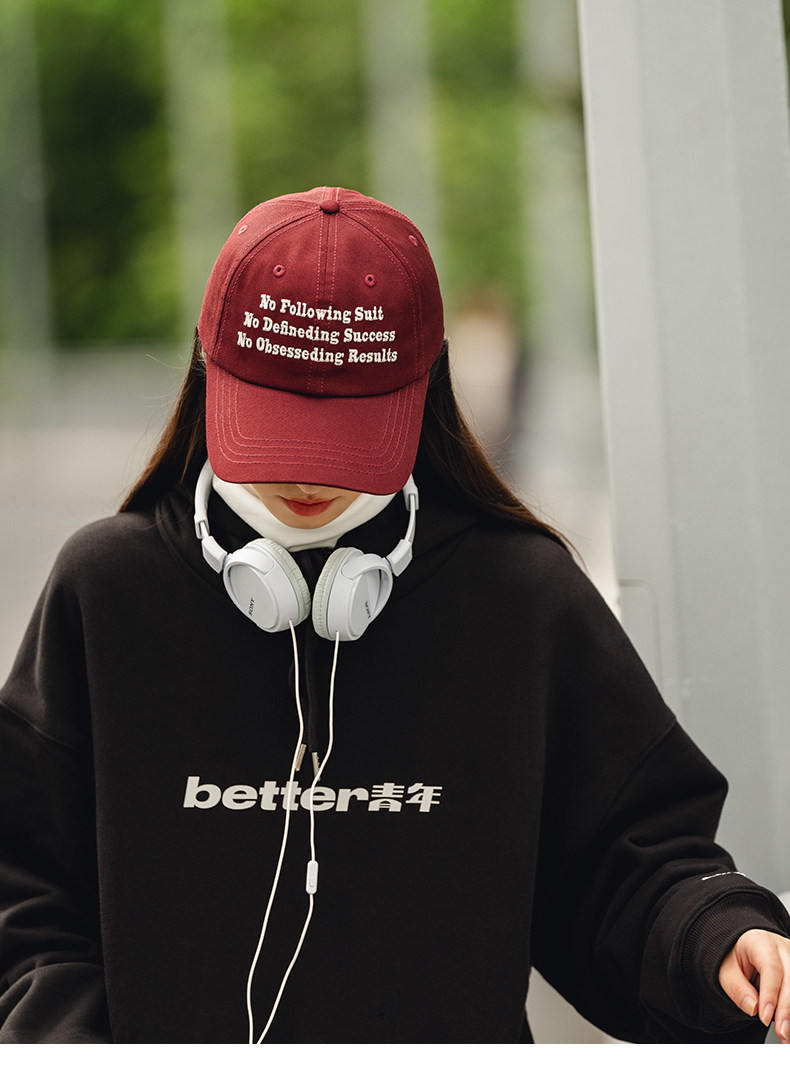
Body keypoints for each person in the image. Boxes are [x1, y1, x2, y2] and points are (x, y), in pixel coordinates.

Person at [0, 185, 789, 1045]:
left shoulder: (521, 600)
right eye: (277, 424)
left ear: (426, 389)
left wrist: (714, 937)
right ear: (207, 371)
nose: (306, 474)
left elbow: (625, 869)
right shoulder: (107, 593)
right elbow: (23, 892)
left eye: (344, 430)